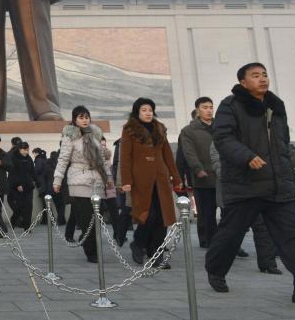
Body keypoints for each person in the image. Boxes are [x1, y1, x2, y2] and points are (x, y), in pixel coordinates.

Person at [205, 63, 295, 307]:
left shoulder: (276, 106)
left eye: (264, 74)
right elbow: (223, 138)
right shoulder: (230, 105)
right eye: (255, 76)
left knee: (294, 237)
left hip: (279, 187)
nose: (262, 79)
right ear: (243, 82)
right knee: (231, 234)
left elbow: (282, 142)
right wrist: (246, 156)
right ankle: (215, 269)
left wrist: (288, 168)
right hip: (246, 185)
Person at [120, 98, 181, 269]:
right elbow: (125, 157)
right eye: (144, 110)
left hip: (160, 178)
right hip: (140, 179)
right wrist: (126, 181)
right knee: (148, 215)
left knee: (162, 217)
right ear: (137, 112)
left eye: (150, 110)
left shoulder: (159, 129)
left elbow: (168, 155)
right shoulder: (129, 130)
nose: (148, 113)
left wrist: (176, 178)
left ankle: (157, 254)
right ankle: (138, 243)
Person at [209, 141, 282, 274]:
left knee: (262, 227)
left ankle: (268, 263)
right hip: (233, 192)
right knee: (232, 230)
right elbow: (216, 162)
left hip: (256, 189)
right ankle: (217, 270)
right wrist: (234, 176)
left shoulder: (253, 135)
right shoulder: (221, 138)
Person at [53, 107, 113, 262]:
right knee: (86, 218)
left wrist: (109, 178)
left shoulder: (95, 135)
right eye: (81, 117)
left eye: (87, 117)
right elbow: (63, 159)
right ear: (74, 119)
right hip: (79, 179)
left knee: (96, 218)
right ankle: (91, 252)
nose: (85, 120)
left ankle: (91, 244)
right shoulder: (70, 136)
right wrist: (57, 180)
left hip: (97, 180)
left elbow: (102, 160)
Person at [179, 97, 217, 248]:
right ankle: (208, 240)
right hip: (203, 177)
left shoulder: (221, 127)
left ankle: (228, 242)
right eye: (205, 107)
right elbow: (189, 153)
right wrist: (198, 168)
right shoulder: (188, 131)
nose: (208, 110)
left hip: (223, 177)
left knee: (230, 213)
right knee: (207, 213)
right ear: (197, 110)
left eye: (210, 107)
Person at [9, 142, 36, 231]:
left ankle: (27, 227)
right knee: (19, 207)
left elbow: (32, 171)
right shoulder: (14, 158)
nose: (26, 152)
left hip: (28, 186)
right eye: (24, 150)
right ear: (19, 149)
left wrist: (37, 182)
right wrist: (17, 184)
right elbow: (12, 173)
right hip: (18, 188)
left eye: (27, 150)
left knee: (28, 207)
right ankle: (13, 221)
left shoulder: (29, 159)